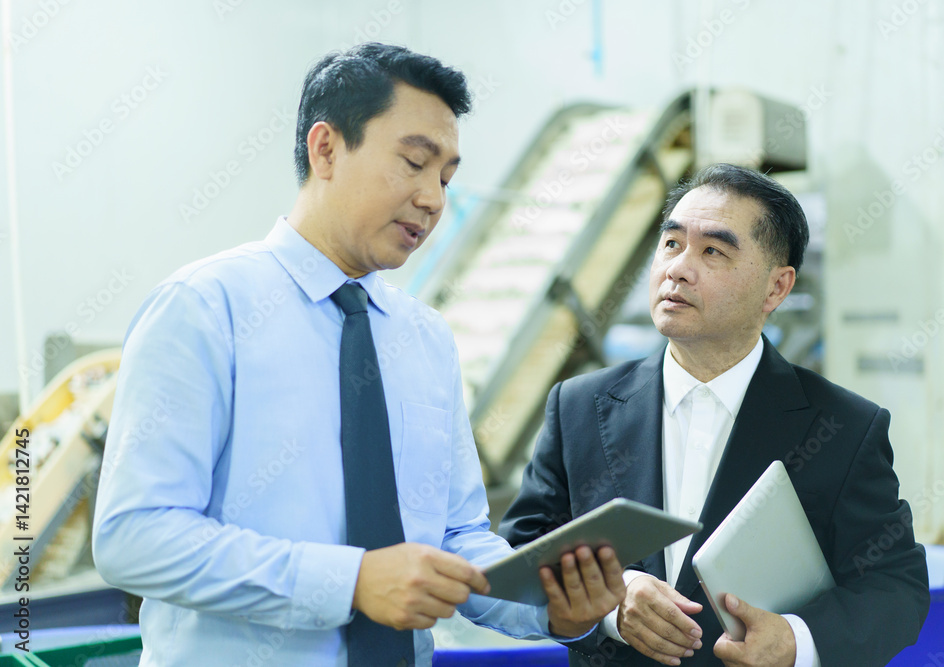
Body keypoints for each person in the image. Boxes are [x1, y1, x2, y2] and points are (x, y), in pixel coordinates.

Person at [92, 43, 625, 667]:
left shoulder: (425, 338)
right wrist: (349, 583)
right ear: (326, 149)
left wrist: (549, 606)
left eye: (445, 178)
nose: (433, 199)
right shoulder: (206, 308)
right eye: (414, 163)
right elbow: (135, 535)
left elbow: (456, 538)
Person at [499, 163, 930, 667]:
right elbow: (524, 549)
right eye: (671, 243)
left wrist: (794, 640)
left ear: (776, 288)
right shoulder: (578, 407)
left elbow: (895, 587)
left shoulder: (842, 427)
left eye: (713, 252)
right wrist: (613, 601)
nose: (678, 269)